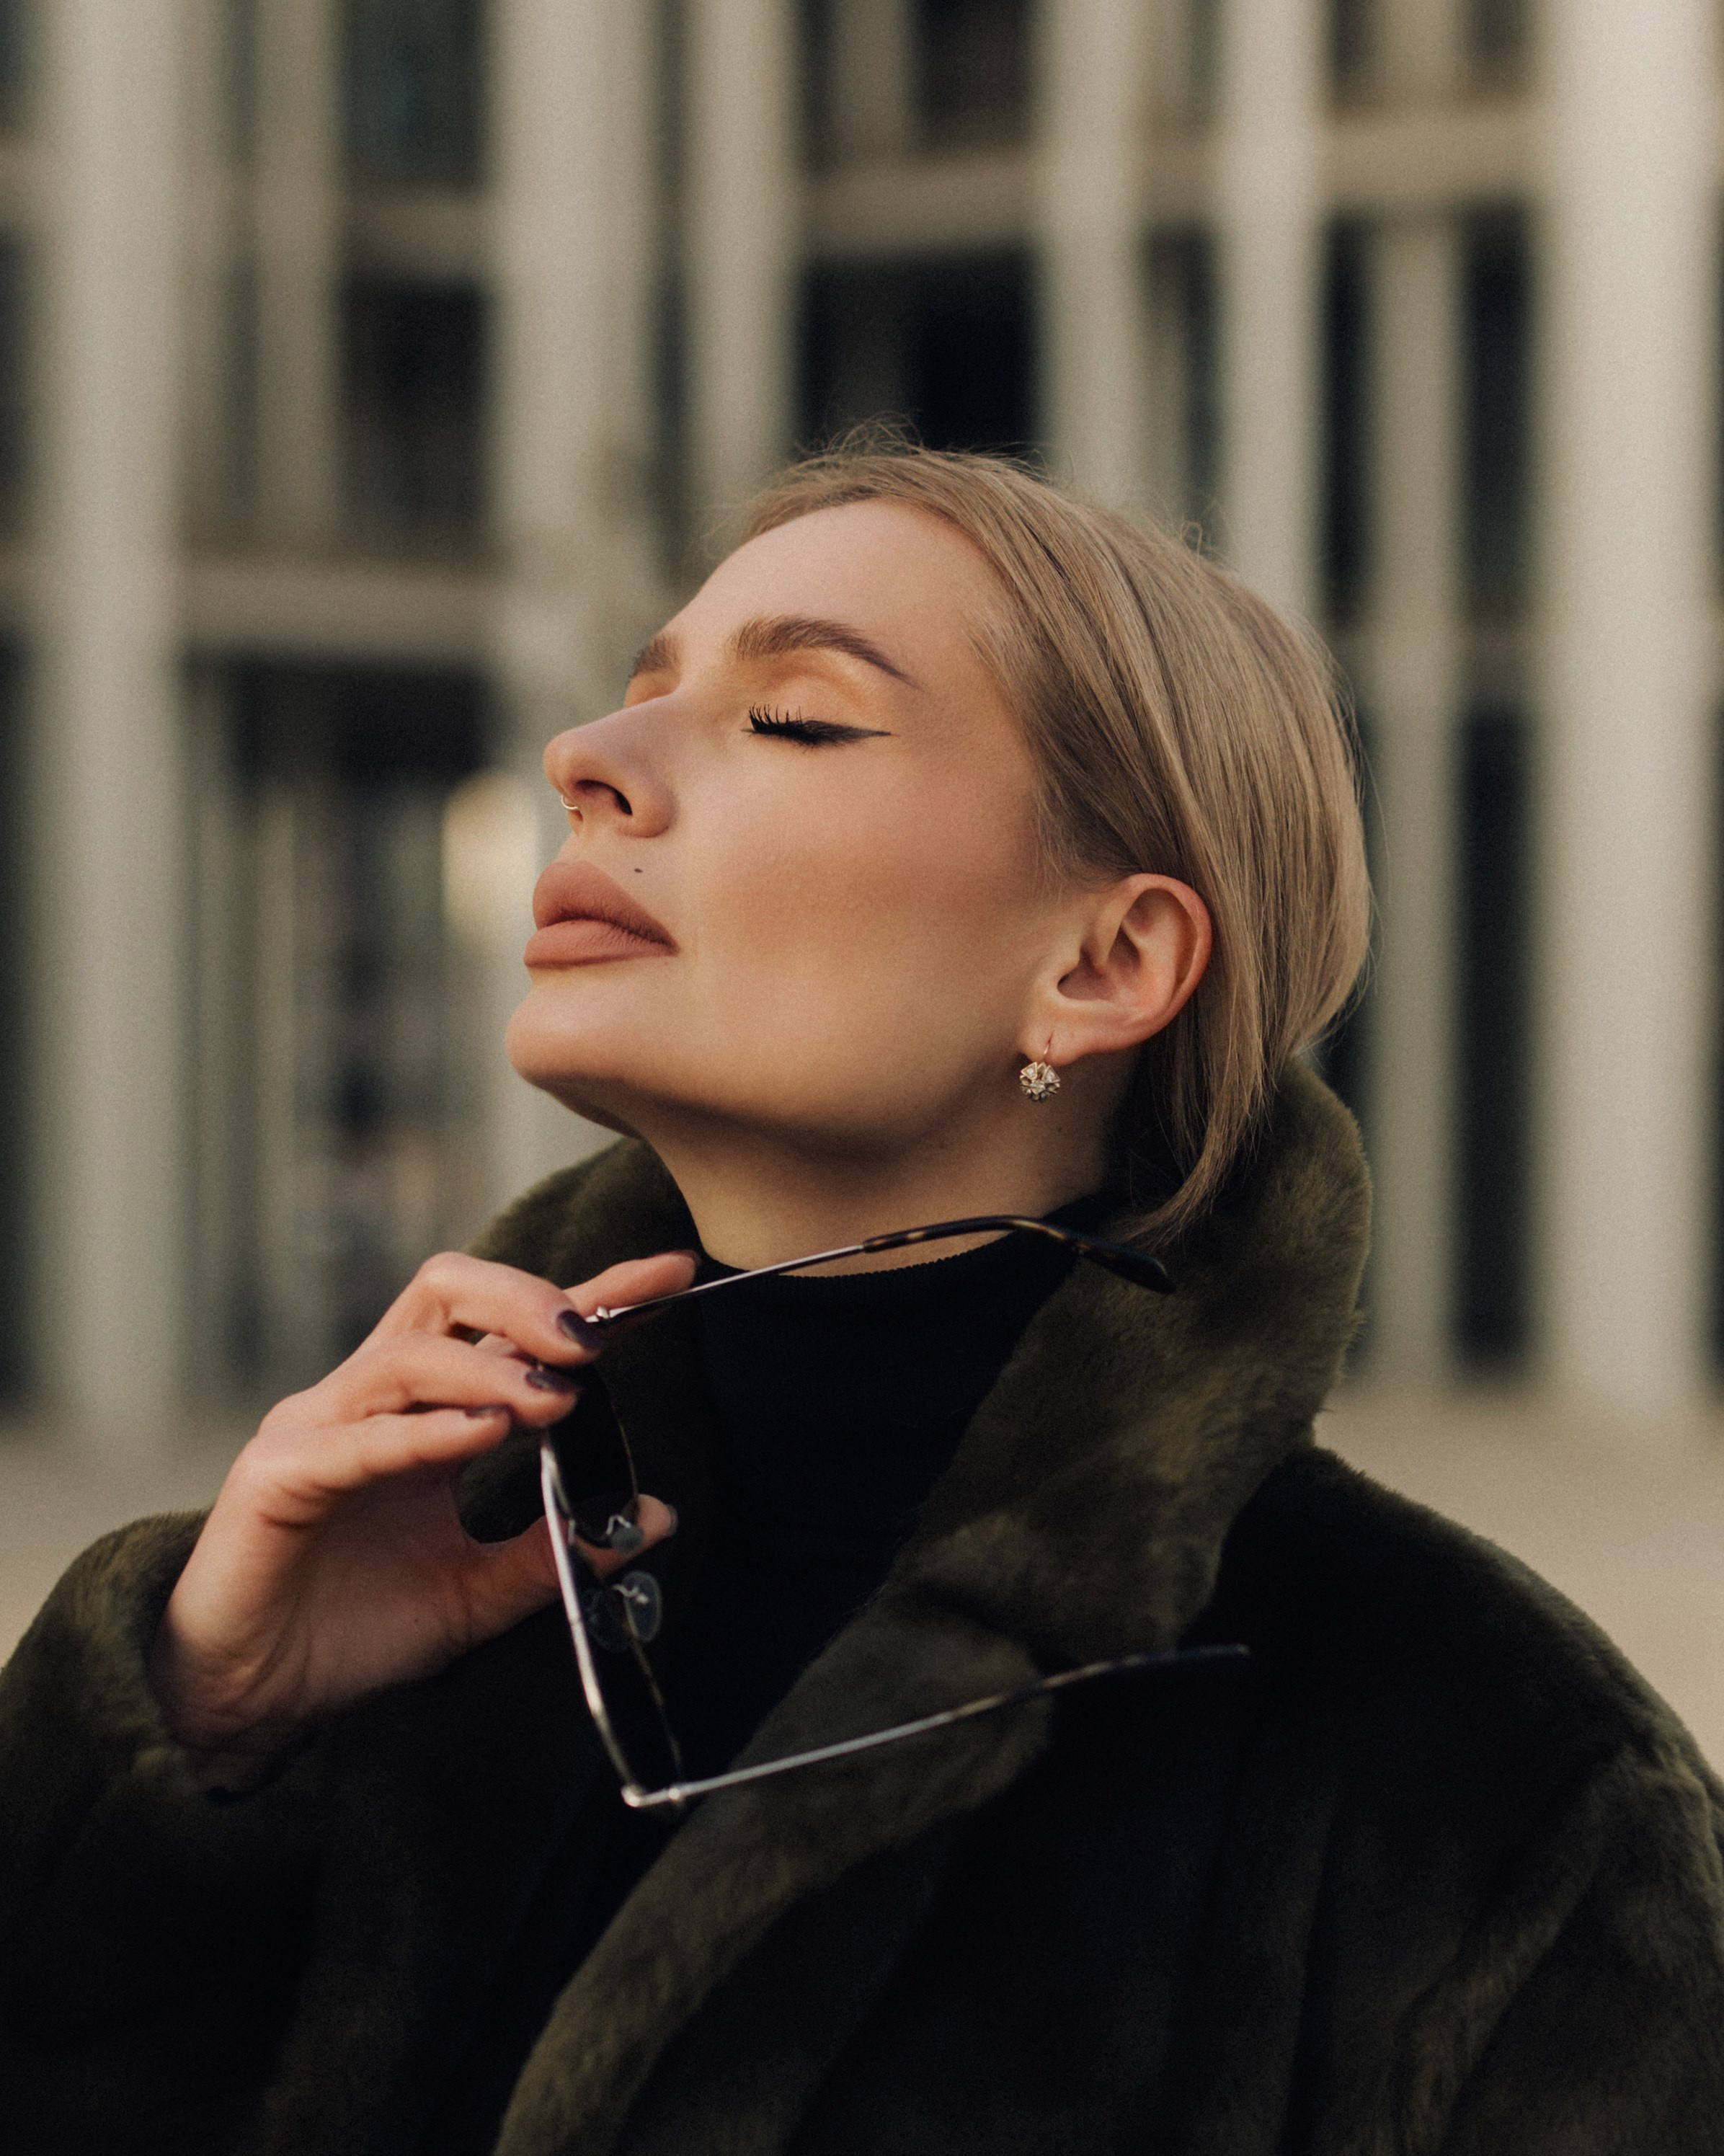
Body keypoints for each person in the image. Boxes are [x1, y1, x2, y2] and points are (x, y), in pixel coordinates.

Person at [3, 443, 1721, 2156]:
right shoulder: (420, 1586)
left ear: (1101, 964)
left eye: (796, 718)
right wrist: (194, 1729)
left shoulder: (1502, 1799)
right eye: (636, 693)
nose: (583, 761)